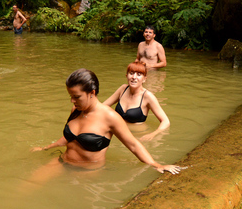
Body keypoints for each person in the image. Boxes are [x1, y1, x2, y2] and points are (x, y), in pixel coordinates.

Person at [32, 69, 179, 174]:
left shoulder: (111, 117)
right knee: (23, 189)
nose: (72, 100)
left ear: (92, 93)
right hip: (62, 162)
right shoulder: (75, 110)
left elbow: (133, 145)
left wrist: (155, 164)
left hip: (88, 172)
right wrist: (45, 148)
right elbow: (69, 138)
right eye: (70, 96)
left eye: (76, 96)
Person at [103, 61, 170, 142]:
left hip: (138, 136)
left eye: (139, 74)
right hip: (118, 132)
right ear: (126, 76)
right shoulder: (123, 89)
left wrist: (153, 134)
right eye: (131, 73)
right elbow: (103, 106)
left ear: (144, 79)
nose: (134, 77)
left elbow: (165, 121)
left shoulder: (148, 96)